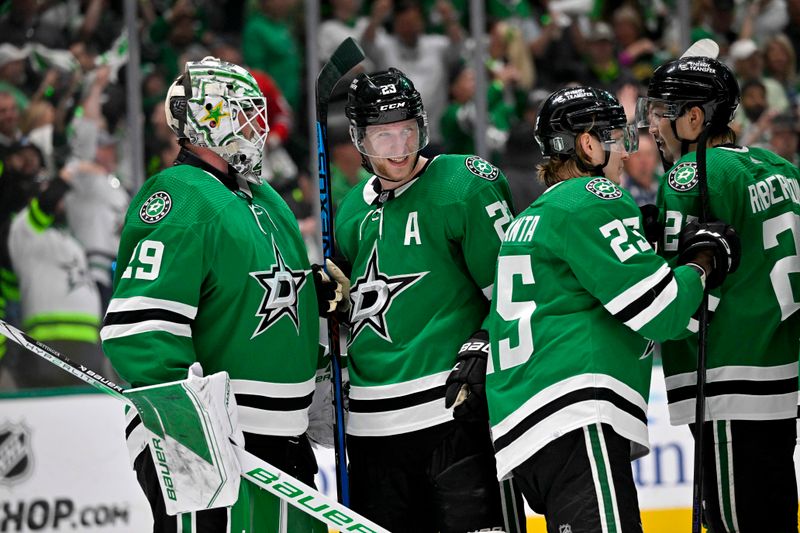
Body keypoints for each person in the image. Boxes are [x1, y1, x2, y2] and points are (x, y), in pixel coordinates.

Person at [483, 86, 739, 531]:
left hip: (529, 425)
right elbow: (663, 312)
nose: (625, 152)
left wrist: (644, 242)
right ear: (587, 144)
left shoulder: (534, 216)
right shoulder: (593, 196)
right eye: (617, 138)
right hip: (575, 413)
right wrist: (702, 260)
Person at [101, 57, 338, 533]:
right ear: (206, 119)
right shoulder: (180, 196)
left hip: (283, 443)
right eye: (244, 111)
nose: (258, 124)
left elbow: (257, 304)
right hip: (209, 444)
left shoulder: (267, 201)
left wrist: (313, 293)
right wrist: (190, 433)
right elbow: (139, 328)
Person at [334, 67, 524, 532]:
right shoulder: (351, 210)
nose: (399, 148)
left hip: (453, 415)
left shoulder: (465, 185)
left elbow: (518, 295)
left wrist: (485, 340)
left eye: (407, 131)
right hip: (370, 429)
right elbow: (348, 305)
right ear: (359, 140)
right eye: (383, 137)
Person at [637, 54, 800, 533]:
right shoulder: (782, 169)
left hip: (727, 380)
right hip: (779, 375)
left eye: (662, 112)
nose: (652, 125)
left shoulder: (692, 175)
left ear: (694, 119)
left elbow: (680, 303)